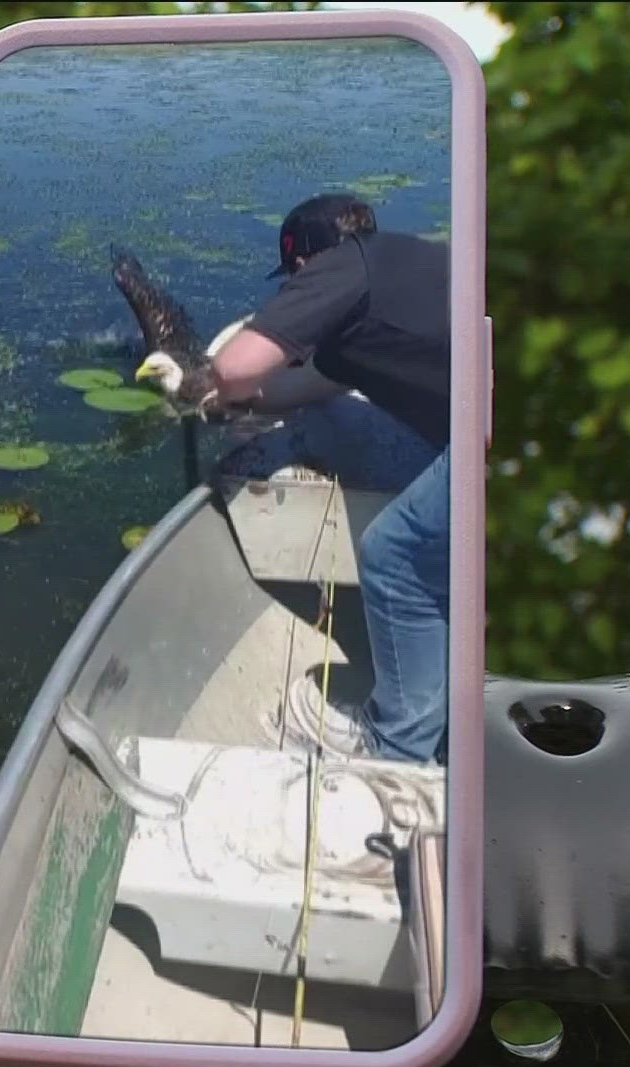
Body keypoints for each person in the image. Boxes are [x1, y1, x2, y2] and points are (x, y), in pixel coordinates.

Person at [201, 192, 452, 765]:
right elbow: (304, 388)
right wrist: (237, 403)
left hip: (480, 441)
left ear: (304, 265)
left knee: (394, 553)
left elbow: (237, 365)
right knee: (342, 432)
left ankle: (397, 746)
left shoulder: (343, 264)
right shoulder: (399, 271)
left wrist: (213, 384)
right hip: (484, 429)